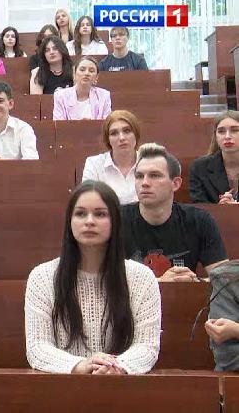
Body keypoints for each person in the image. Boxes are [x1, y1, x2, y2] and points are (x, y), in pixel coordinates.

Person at [25, 180, 161, 375]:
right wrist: (82, 365)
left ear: (115, 222)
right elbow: (38, 347)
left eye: (100, 214)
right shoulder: (42, 277)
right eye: (80, 214)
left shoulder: (142, 278)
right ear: (70, 221)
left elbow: (147, 347)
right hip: (63, 385)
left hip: (123, 385)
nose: (89, 221)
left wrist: (115, 367)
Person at [122, 143, 229, 281]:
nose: (145, 183)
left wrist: (193, 281)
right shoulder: (116, 219)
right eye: (139, 176)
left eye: (154, 175)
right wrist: (160, 282)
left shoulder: (199, 220)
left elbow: (225, 280)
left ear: (176, 183)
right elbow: (102, 280)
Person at [82, 110, 143, 205]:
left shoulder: (149, 161)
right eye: (114, 133)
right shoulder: (94, 164)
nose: (122, 138)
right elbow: (88, 201)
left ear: (136, 134)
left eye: (127, 131)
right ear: (108, 139)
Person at [190, 111, 239, 204]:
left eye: (235, 130)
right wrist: (220, 208)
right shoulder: (199, 167)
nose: (227, 136)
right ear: (216, 136)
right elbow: (198, 206)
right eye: (221, 131)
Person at [53, 56, 112, 121]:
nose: (86, 73)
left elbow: (107, 124)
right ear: (74, 74)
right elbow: (59, 124)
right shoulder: (60, 96)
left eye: (91, 71)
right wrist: (80, 125)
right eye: (82, 70)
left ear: (96, 77)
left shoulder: (104, 96)